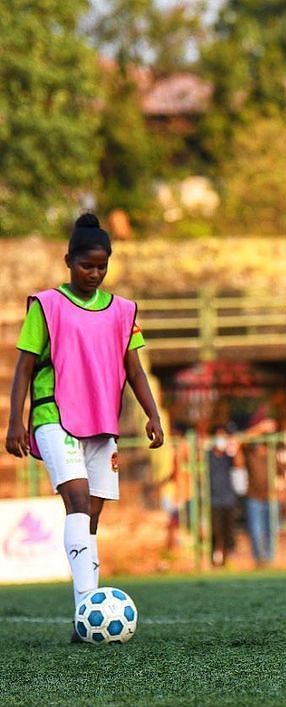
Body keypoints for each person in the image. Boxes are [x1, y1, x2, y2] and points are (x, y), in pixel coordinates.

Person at [4, 213, 164, 642]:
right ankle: (87, 610)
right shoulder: (47, 306)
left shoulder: (123, 311)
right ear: (67, 261)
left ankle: (84, 613)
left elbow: (135, 370)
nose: (93, 274)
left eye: (101, 266)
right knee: (75, 501)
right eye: (85, 265)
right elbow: (23, 367)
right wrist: (15, 420)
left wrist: (153, 414)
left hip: (100, 423)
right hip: (53, 415)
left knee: (91, 516)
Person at [242, 416, 277, 567]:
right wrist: (261, 428)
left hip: (271, 495)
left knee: (271, 530)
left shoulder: (271, 451)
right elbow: (242, 439)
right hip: (254, 496)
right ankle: (259, 559)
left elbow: (281, 472)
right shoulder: (251, 449)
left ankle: (269, 559)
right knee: (256, 530)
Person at [207, 424, 240, 567]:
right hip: (213, 500)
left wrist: (235, 448)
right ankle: (214, 558)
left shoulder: (228, 456)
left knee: (227, 532)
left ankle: (225, 559)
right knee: (215, 531)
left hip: (228, 499)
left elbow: (239, 464)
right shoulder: (207, 456)